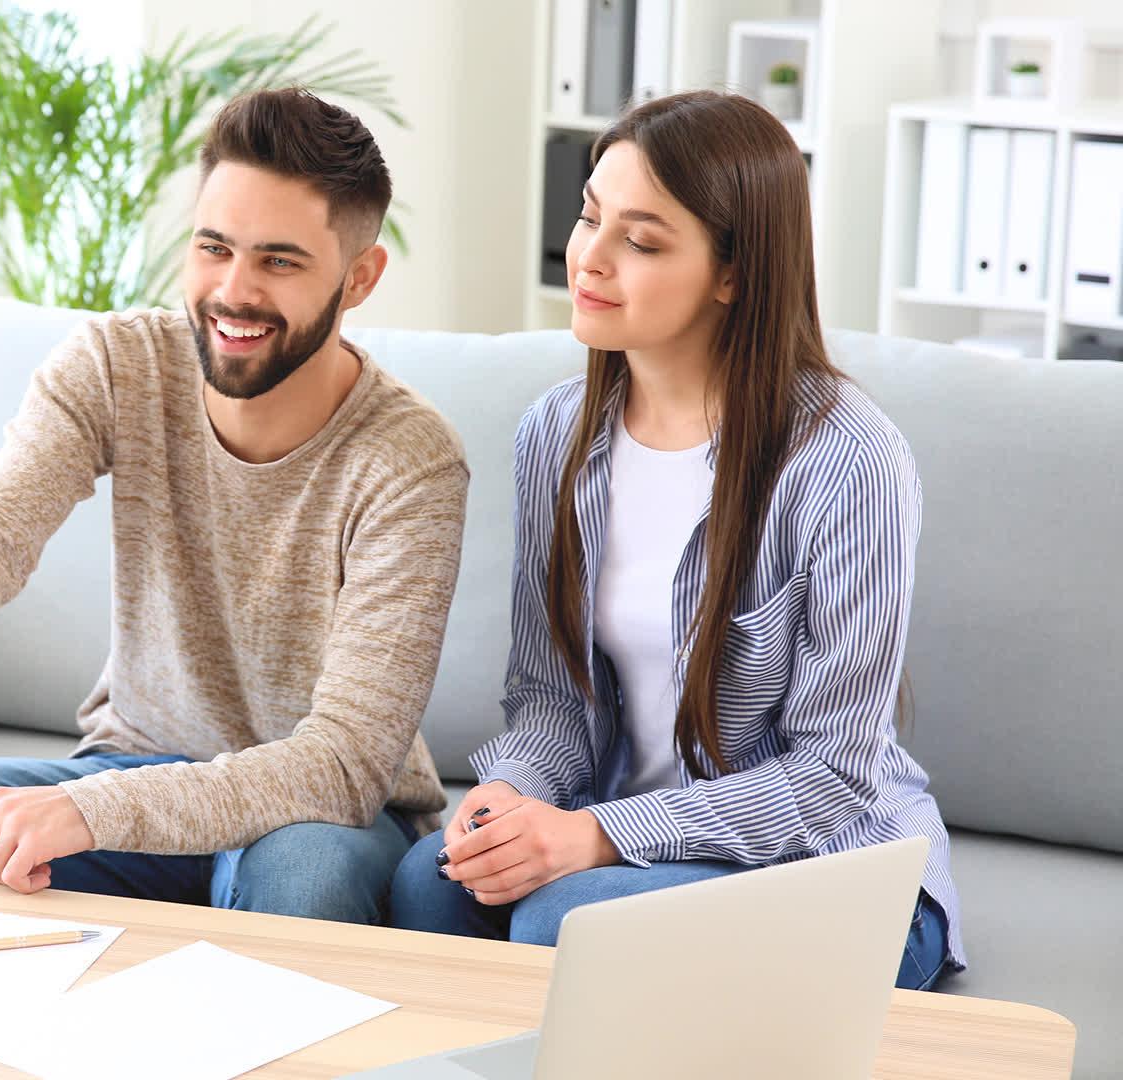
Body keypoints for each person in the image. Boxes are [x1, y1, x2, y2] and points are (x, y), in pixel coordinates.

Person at [0, 88, 469, 926]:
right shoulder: (118, 362)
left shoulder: (409, 459)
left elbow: (341, 763)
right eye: (214, 248)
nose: (233, 291)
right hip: (136, 769)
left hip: (312, 816)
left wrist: (93, 813)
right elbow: (2, 518)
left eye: (279, 261)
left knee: (304, 881)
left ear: (360, 277)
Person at [387, 90, 963, 991]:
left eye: (642, 241)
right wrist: (514, 800)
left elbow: (833, 779)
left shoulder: (848, 462)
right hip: (632, 840)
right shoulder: (558, 433)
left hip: (831, 869)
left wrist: (602, 835)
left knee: (556, 922)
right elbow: (548, 701)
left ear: (733, 273)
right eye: (590, 218)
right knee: (433, 884)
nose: (592, 258)